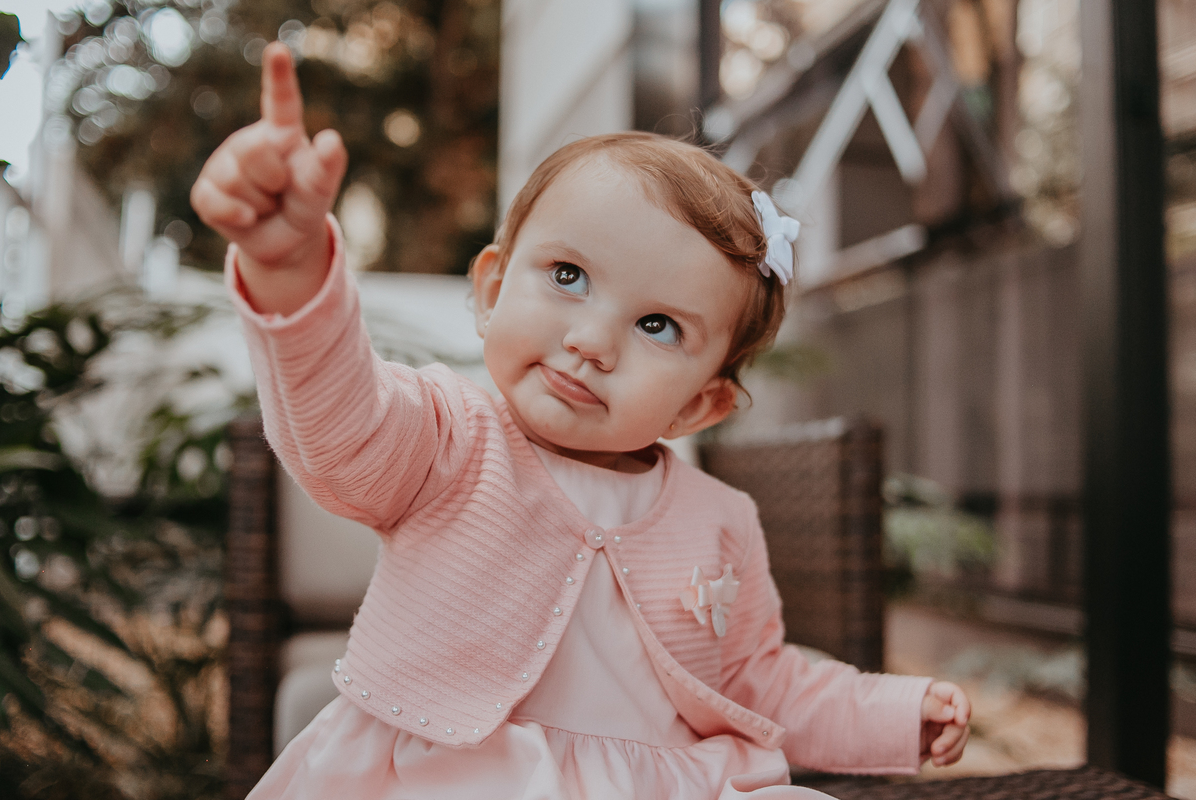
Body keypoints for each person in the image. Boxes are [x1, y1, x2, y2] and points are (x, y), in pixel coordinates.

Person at [192, 42, 971, 800]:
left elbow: (762, 684)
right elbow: (341, 426)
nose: (592, 342)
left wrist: (896, 712)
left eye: (659, 326)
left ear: (701, 404)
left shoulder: (720, 519)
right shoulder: (448, 439)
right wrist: (291, 272)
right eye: (568, 276)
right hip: (454, 774)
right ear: (493, 288)